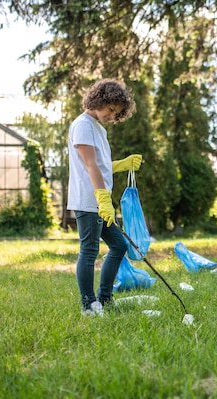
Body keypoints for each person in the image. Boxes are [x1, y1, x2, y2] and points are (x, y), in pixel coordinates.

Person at [67, 79, 143, 316]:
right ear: (99, 100)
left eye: (116, 113)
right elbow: (90, 165)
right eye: (110, 109)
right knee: (89, 250)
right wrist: (102, 199)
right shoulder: (83, 125)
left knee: (119, 245)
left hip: (100, 202)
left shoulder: (97, 128)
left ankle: (105, 298)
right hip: (89, 200)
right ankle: (89, 304)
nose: (112, 116)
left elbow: (99, 164)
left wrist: (120, 165)